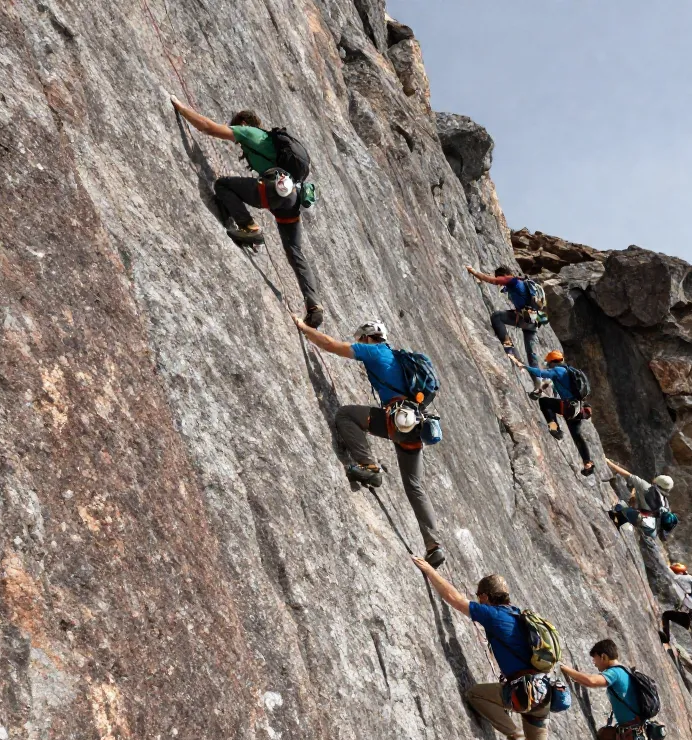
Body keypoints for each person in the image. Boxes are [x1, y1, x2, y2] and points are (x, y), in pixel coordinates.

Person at [412, 557, 577, 740]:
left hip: (523, 693)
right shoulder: (518, 614)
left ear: (486, 597)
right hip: (543, 693)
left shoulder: (494, 615)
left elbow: (453, 598)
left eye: (480, 599)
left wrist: (429, 570)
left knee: (475, 694)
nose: (479, 602)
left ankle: (516, 739)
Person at [294, 316, 445, 568]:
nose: (359, 342)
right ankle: (434, 546)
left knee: (346, 415)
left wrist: (304, 328)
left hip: (395, 420)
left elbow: (331, 345)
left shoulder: (374, 351)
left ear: (367, 336)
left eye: (360, 338)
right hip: (414, 424)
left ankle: (370, 467)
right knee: (415, 486)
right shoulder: (396, 357)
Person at [170, 99, 323, 328]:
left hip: (275, 190)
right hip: (292, 198)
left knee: (223, 185)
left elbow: (208, 127)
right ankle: (313, 304)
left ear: (242, 122)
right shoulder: (273, 143)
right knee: (294, 250)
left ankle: (249, 227)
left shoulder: (250, 132)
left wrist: (181, 108)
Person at [466, 265, 547, 396]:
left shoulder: (512, 280)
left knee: (497, 316)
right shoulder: (520, 282)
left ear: (503, 275)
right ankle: (538, 385)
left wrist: (473, 271)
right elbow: (501, 287)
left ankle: (508, 347)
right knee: (531, 355)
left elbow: (491, 280)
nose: (499, 281)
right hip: (533, 320)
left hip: (523, 318)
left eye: (500, 278)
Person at [510, 351, 594, 476]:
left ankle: (554, 428)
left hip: (569, 407)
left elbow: (541, 373)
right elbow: (549, 382)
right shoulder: (570, 370)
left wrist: (524, 366)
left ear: (553, 362)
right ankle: (588, 462)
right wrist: (539, 390)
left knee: (544, 402)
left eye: (549, 363)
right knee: (577, 435)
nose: (548, 365)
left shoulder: (557, 371)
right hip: (579, 408)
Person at [603, 457, 674, 538]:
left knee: (619, 505)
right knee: (635, 507)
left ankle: (623, 523)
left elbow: (627, 475)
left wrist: (609, 462)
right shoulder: (665, 503)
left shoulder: (646, 487)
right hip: (651, 530)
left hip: (639, 520)